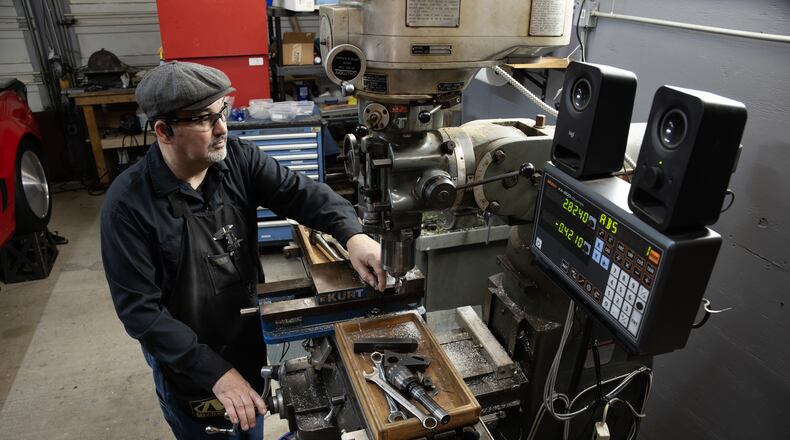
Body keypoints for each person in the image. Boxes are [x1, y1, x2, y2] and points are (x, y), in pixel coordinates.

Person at [100, 61, 385, 439]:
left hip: (246, 339)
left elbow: (302, 194)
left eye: (222, 111)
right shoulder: (127, 206)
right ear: (164, 131)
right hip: (189, 364)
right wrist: (215, 373)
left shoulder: (238, 159)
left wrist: (353, 236)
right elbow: (141, 313)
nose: (222, 128)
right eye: (204, 120)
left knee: (250, 424)